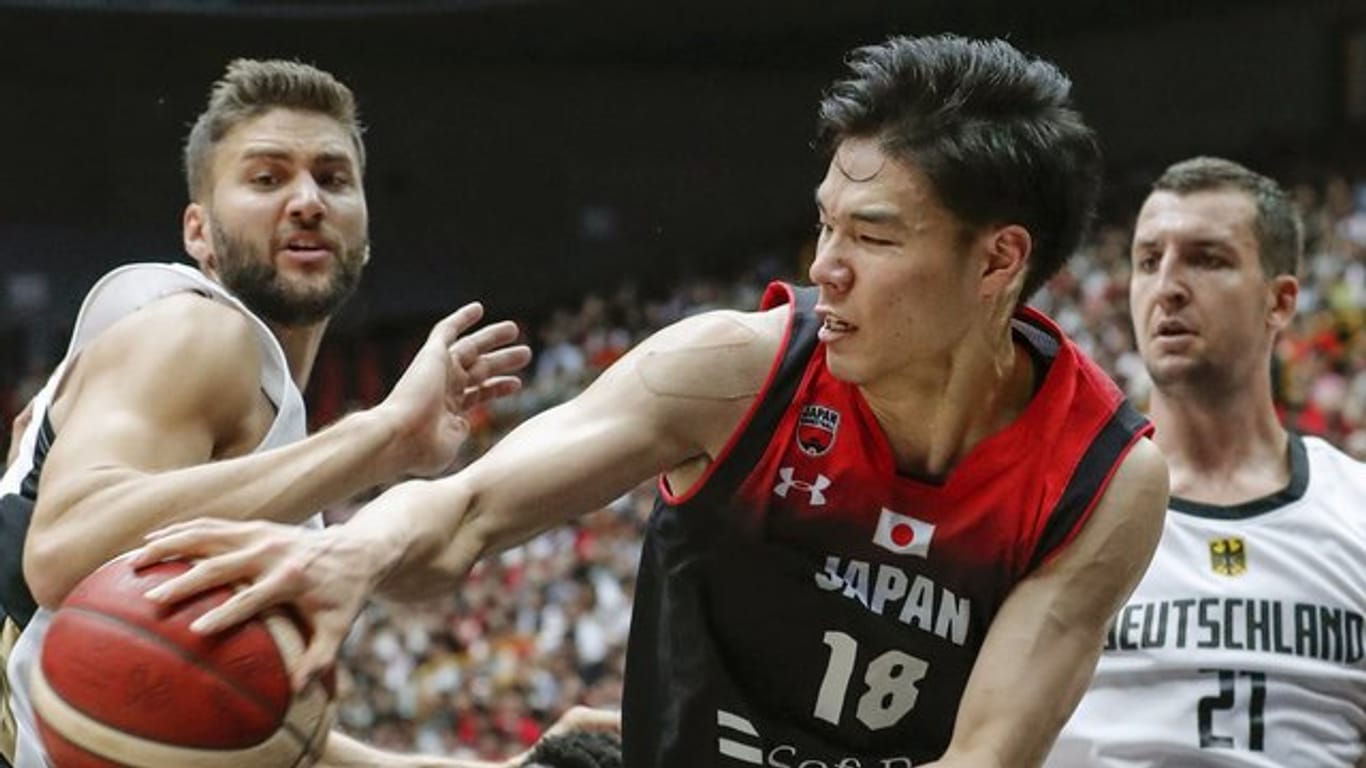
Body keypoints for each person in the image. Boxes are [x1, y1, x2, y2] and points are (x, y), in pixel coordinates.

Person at [136, 34, 1171, 768]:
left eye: (875, 235)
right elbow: (466, 511)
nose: (825, 266)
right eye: (825, 225)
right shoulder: (735, 372)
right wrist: (347, 555)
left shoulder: (1100, 478)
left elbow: (984, 759)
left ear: (997, 262)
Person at [0, 58, 536, 768]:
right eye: (266, 178)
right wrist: (384, 436)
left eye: (333, 179)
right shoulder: (197, 333)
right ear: (199, 232)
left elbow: (231, 720)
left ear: (365, 232)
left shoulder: (263, 428)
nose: (308, 200)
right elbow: (63, 550)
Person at [1046, 158, 1366, 766]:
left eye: (1207, 258)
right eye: (1148, 260)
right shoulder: (1053, 501)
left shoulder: (1357, 510)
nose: (1167, 284)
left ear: (1280, 301)